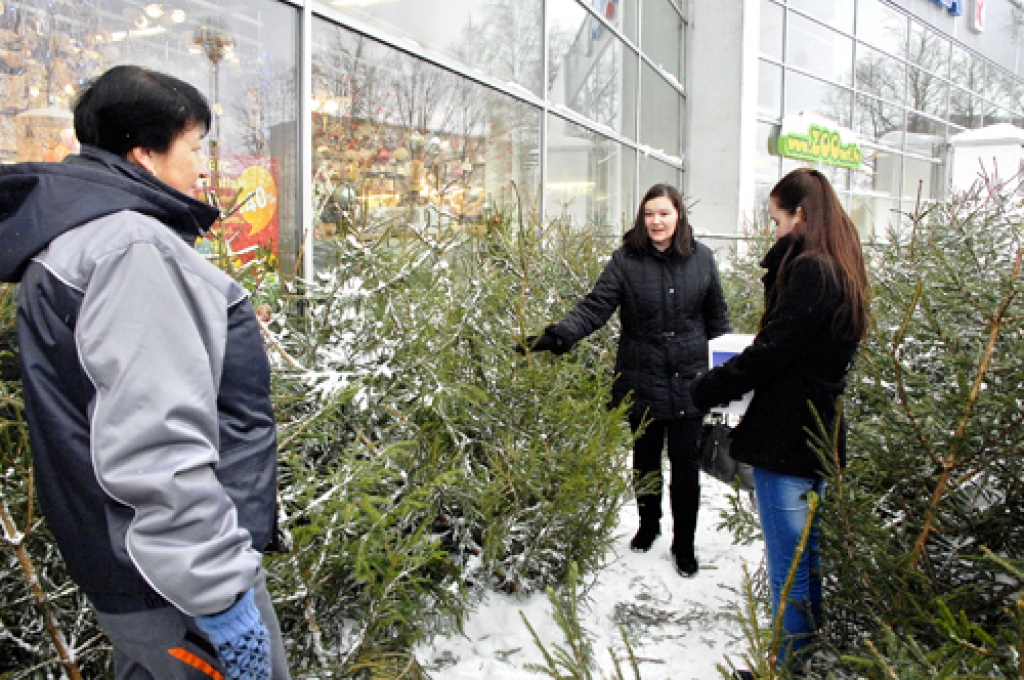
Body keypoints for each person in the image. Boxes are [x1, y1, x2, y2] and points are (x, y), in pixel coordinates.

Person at [0, 65, 289, 680]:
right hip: (177, 585)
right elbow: (155, 441)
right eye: (194, 147)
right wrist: (220, 596)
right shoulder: (132, 250)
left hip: (130, 571)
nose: (203, 166)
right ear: (144, 155)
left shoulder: (73, 241)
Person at [690, 167, 871, 673]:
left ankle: (787, 668)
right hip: (818, 433)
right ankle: (802, 663)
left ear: (802, 216)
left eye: (775, 221)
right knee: (805, 559)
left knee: (789, 569)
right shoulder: (844, 266)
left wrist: (707, 388)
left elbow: (774, 351)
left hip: (789, 437)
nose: (773, 233)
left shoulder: (811, 270)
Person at [518, 183, 731, 577]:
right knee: (646, 461)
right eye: (649, 214)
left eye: (664, 213)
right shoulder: (626, 260)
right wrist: (559, 334)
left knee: (685, 467)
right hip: (642, 375)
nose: (656, 221)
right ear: (641, 217)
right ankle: (648, 526)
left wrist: (726, 374)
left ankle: (684, 542)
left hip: (690, 380)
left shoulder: (702, 259)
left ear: (678, 215)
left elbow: (717, 319)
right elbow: (596, 306)